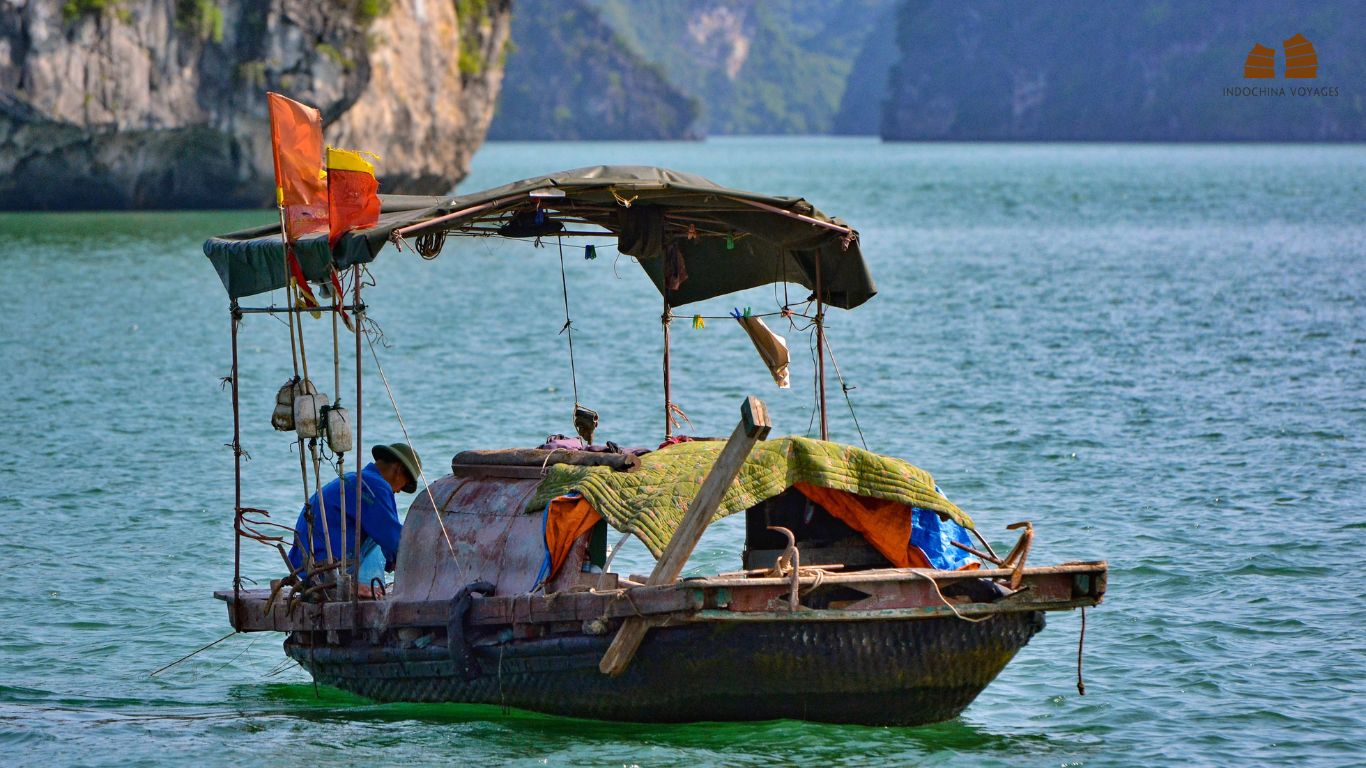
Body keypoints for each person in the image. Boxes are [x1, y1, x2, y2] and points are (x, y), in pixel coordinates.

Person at [287, 443, 422, 596]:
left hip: (305, 565)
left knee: (380, 529)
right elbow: (394, 539)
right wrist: (417, 565)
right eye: (404, 485)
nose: (398, 491)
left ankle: (356, 583)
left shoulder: (356, 478)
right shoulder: (375, 486)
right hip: (324, 567)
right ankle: (352, 585)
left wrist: (394, 559)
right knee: (392, 535)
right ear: (399, 470)